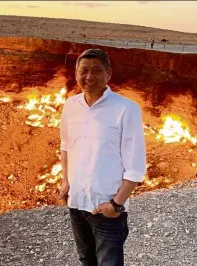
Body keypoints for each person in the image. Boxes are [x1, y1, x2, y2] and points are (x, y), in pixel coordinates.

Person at [59, 49, 146, 266]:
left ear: (109, 74)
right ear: (76, 73)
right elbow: (66, 146)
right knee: (86, 260)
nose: (89, 77)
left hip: (106, 206)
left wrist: (116, 205)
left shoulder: (126, 109)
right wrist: (65, 181)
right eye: (84, 71)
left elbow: (135, 165)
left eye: (96, 70)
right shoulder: (71, 106)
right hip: (77, 203)